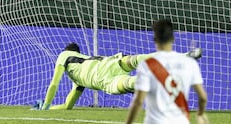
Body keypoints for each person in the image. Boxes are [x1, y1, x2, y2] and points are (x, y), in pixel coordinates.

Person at [37, 41, 202, 111]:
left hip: (104, 80)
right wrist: (48, 107)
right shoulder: (78, 82)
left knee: (132, 82)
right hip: (108, 63)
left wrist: (46, 105)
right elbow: (67, 105)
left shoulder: (65, 55)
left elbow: (54, 84)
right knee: (137, 60)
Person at [122, 20, 210, 124]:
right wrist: (200, 114)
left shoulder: (147, 65)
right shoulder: (189, 63)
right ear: (173, 39)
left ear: (155, 41)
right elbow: (203, 97)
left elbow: (138, 101)